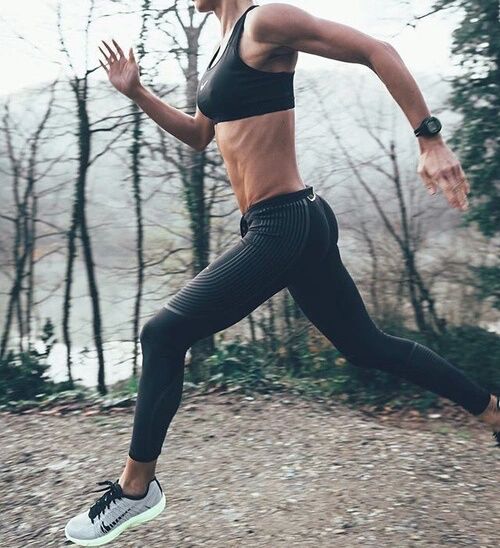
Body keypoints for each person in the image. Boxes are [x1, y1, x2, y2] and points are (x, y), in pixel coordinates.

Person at [65, 1, 500, 545]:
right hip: (291, 222)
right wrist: (137, 93)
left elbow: (375, 50)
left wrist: (429, 137)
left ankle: (136, 490)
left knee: (162, 333)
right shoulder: (227, 43)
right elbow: (202, 136)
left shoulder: (264, 20)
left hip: (284, 223)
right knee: (368, 346)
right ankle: (493, 413)